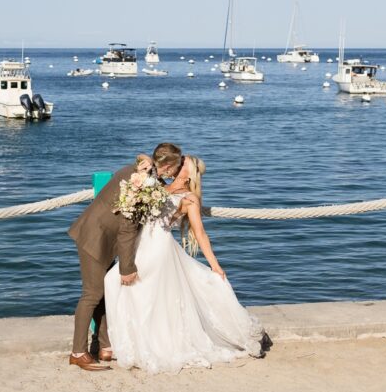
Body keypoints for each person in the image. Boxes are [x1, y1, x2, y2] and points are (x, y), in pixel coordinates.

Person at [103, 153, 272, 373]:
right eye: (179, 162)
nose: (178, 165)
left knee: (142, 292)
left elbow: (200, 234)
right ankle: (125, 344)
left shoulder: (189, 198)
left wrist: (215, 265)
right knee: (115, 283)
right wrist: (150, 163)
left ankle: (147, 346)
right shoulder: (159, 184)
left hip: (159, 247)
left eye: (184, 164)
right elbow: (143, 159)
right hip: (139, 244)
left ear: (189, 172)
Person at [66, 143, 185, 371]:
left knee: (100, 293)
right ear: (168, 166)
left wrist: (146, 160)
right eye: (176, 168)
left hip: (102, 237)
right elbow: (127, 229)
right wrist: (127, 268)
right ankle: (77, 352)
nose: (176, 173)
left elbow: (140, 160)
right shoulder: (142, 185)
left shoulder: (141, 171)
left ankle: (105, 347)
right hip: (95, 236)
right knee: (91, 295)